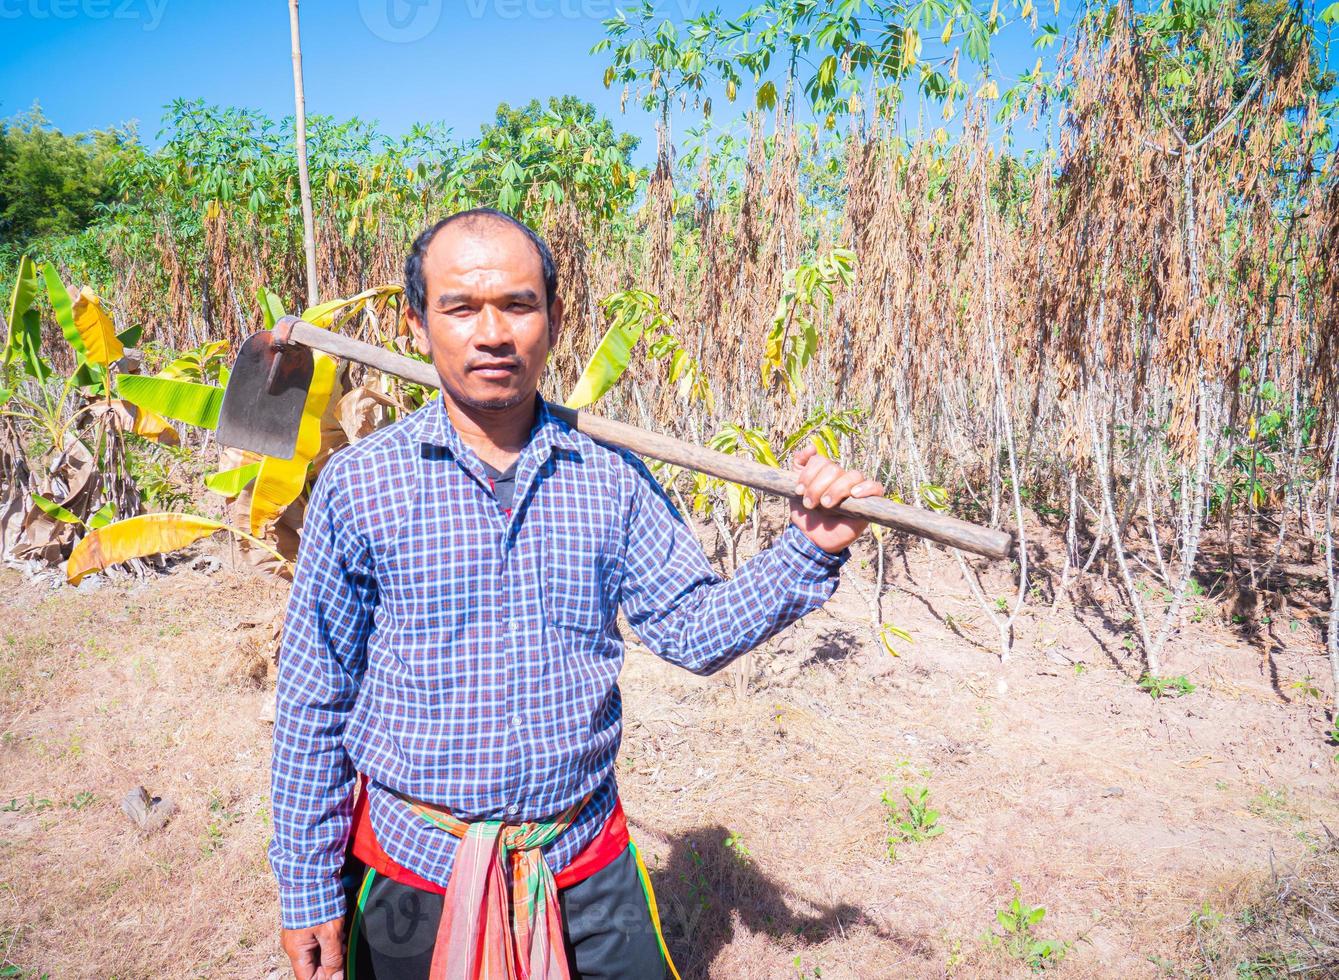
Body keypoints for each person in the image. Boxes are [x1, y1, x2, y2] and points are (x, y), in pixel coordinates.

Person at [270, 208, 885, 980]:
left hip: (582, 863)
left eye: (518, 306)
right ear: (416, 326)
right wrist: (305, 887)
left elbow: (693, 631)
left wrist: (807, 548)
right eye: (460, 308)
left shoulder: (611, 478)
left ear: (555, 321)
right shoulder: (362, 486)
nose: (492, 333)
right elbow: (312, 697)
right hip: (413, 865)